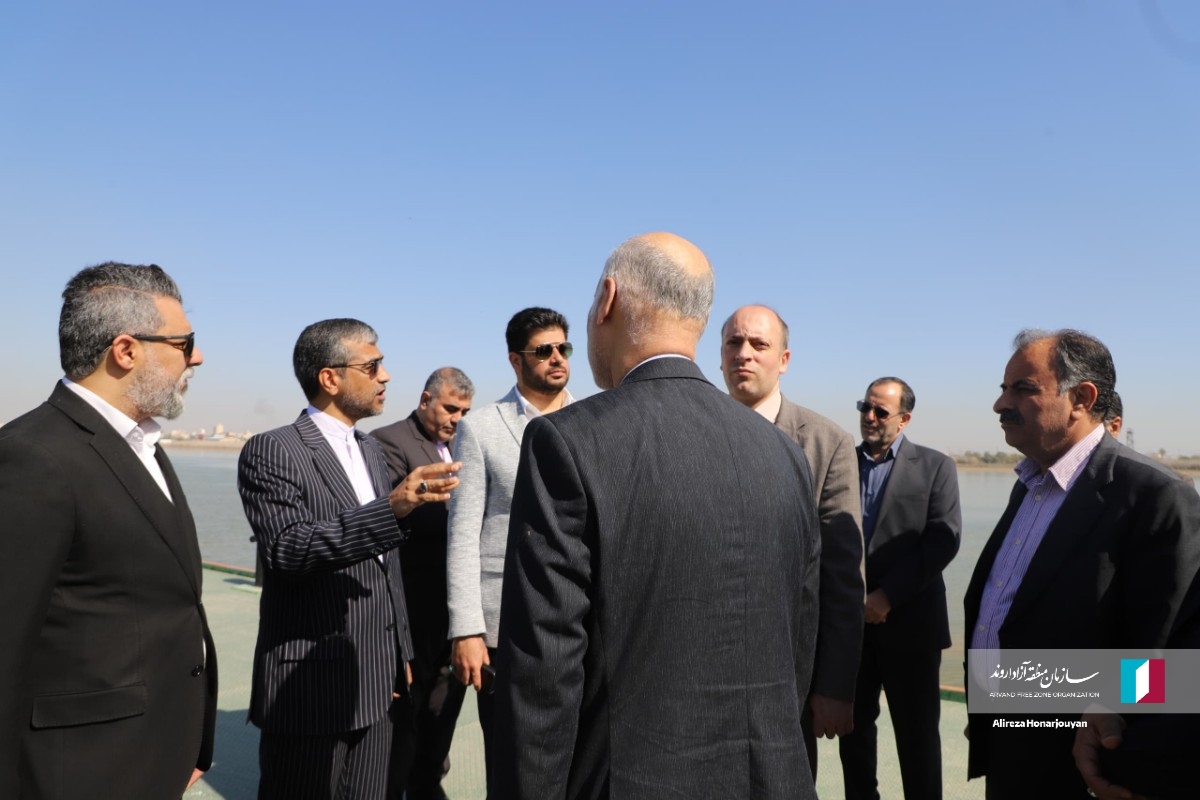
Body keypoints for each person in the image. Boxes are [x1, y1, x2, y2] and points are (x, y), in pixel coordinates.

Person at [492, 233, 822, 799]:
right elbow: (799, 637)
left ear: (607, 299)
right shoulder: (783, 452)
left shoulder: (566, 442)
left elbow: (544, 671)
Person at [0, 262, 216, 799]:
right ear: (126, 350)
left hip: (152, 753)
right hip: (79, 769)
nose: (197, 358)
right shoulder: (33, 456)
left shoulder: (142, 445)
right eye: (184, 344)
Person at [965, 328, 1200, 798]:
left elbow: (1173, 657)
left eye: (1023, 389)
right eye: (1003, 389)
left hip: (1088, 759)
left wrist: (1113, 709)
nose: (1000, 404)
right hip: (1008, 741)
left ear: (1081, 398)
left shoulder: (1155, 495)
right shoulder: (1031, 485)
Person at [238, 319, 460, 800]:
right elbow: (287, 550)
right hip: (309, 685)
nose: (386, 376)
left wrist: (401, 653)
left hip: (378, 684)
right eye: (372, 365)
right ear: (330, 378)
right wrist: (392, 508)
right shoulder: (273, 449)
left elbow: (387, 568)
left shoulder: (370, 450)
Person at [719, 303, 865, 774]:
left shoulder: (826, 443)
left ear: (783, 360)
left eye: (758, 344)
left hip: (788, 683)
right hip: (700, 678)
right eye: (733, 343)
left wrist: (835, 686)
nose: (744, 354)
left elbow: (842, 578)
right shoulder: (685, 432)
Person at [445, 307, 574, 787]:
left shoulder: (592, 419)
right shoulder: (480, 428)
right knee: (509, 760)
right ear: (516, 360)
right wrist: (467, 630)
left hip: (578, 622)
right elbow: (463, 534)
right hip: (504, 628)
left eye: (563, 348)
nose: (557, 358)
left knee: (576, 759)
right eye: (544, 351)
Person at [837, 377, 961, 800]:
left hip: (912, 627)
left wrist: (886, 597)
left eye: (881, 411)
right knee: (852, 730)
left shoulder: (935, 466)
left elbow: (943, 540)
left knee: (917, 737)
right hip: (850, 627)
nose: (869, 417)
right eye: (865, 407)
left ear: (904, 419)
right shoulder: (841, 463)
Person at [371, 367, 474, 800]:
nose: (457, 418)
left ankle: (428, 783)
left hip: (454, 608)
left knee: (444, 706)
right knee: (406, 713)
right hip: (411, 606)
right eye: (450, 408)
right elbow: (388, 515)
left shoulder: (465, 444)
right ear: (425, 399)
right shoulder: (388, 442)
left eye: (464, 411)